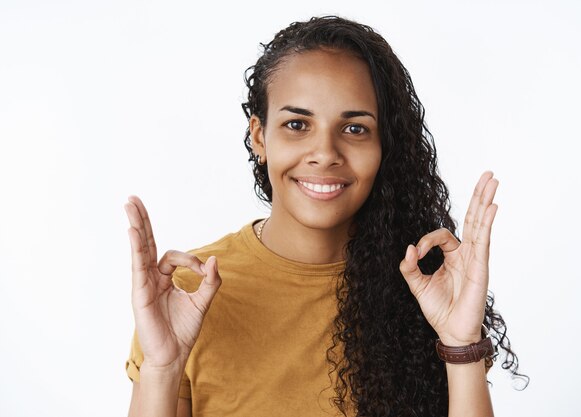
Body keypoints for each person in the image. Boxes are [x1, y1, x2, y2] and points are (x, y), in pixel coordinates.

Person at [124, 15, 526, 417]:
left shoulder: (428, 289)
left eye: (354, 129)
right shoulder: (188, 295)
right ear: (259, 136)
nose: (325, 152)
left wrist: (461, 344)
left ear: (384, 145)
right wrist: (163, 368)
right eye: (297, 124)